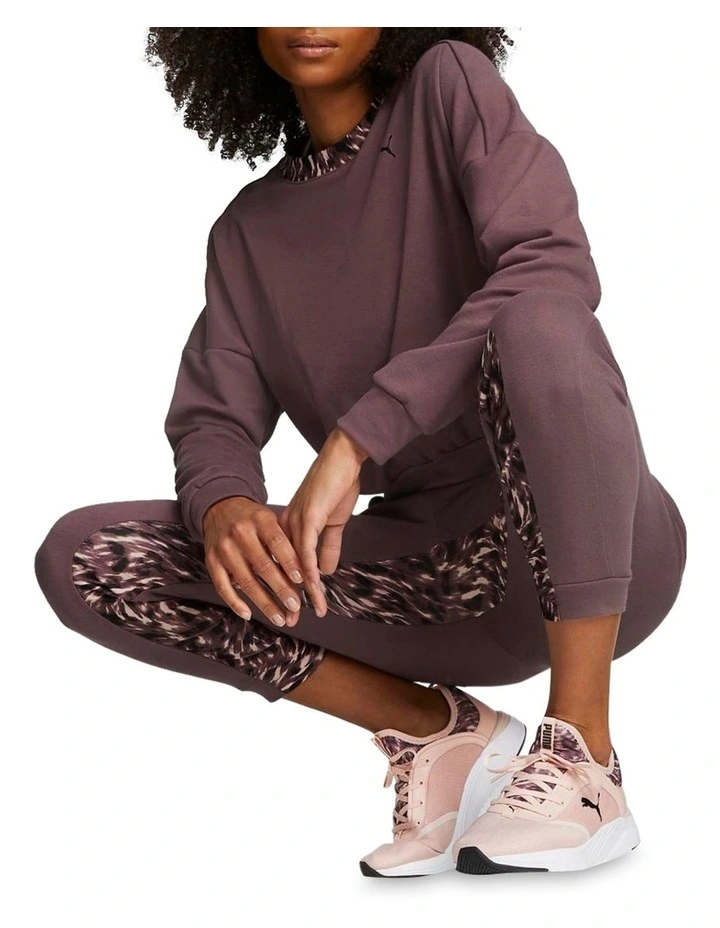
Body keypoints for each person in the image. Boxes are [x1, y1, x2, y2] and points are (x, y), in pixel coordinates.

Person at [34, 27, 687, 877]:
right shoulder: (246, 234)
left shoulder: (449, 85)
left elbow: (551, 259)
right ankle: (437, 732)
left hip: (601, 544)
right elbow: (211, 419)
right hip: (435, 587)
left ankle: (584, 754)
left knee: (538, 318)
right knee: (89, 560)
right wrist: (225, 504)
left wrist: (356, 439)